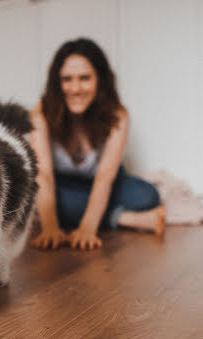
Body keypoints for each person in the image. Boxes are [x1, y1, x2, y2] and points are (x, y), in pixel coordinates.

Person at [30, 38, 166, 251]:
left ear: (100, 81)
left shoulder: (118, 115)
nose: (75, 88)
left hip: (103, 183)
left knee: (147, 195)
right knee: (40, 199)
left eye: (84, 78)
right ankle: (124, 219)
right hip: (61, 185)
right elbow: (43, 175)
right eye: (67, 79)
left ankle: (80, 214)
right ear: (57, 83)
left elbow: (104, 177)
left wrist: (88, 228)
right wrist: (50, 228)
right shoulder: (40, 114)